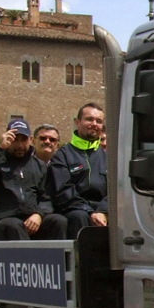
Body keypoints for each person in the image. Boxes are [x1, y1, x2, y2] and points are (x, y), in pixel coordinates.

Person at [0, 119, 65, 241]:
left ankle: (59, 260)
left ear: (31, 139)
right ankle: (28, 260)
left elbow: (47, 196)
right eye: (15, 140)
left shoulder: (39, 166)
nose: (20, 145)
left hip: (33, 218)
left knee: (58, 221)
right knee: (15, 226)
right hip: (4, 221)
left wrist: (39, 214)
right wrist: (1, 149)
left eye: (24, 140)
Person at [48, 102, 108, 238]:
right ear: (77, 122)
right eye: (89, 119)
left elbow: (116, 189)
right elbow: (63, 191)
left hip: (102, 210)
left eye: (98, 121)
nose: (94, 124)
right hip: (75, 210)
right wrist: (89, 212)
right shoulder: (62, 155)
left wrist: (104, 211)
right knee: (79, 217)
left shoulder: (108, 157)